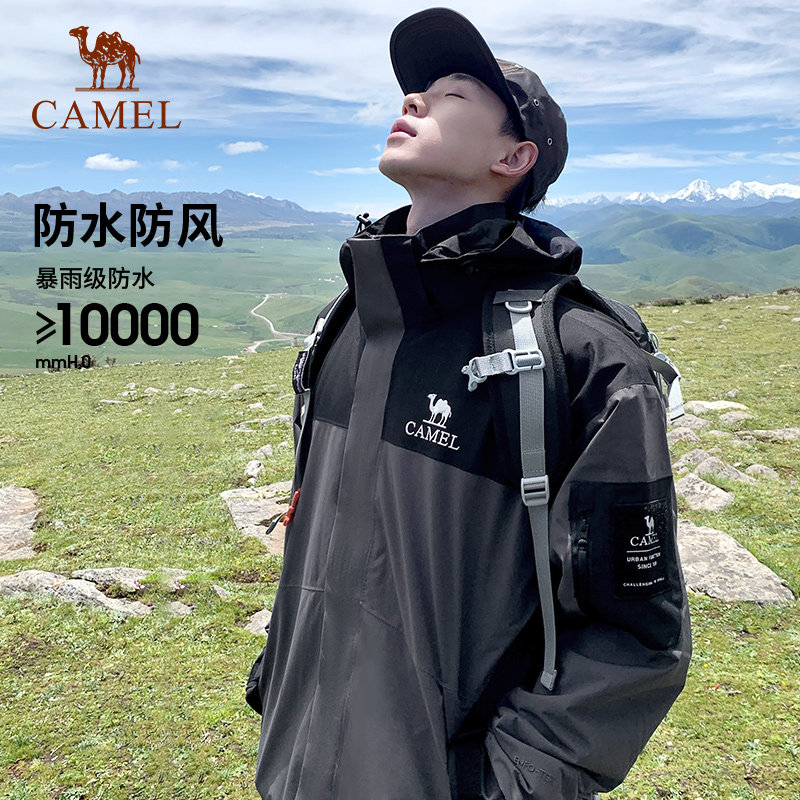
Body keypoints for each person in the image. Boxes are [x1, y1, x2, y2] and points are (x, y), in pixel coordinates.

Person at [250, 8, 691, 800]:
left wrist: (505, 785)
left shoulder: (583, 357)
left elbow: (635, 633)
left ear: (512, 157)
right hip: (296, 765)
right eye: (417, 89)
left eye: (451, 93)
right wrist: (280, 681)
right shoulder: (349, 321)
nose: (414, 99)